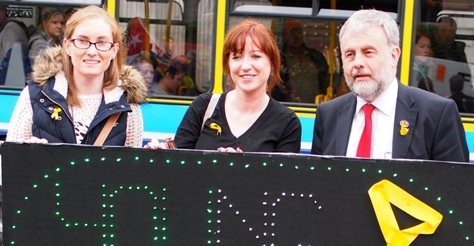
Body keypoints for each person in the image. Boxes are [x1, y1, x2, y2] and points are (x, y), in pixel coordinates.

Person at [311, 9, 469, 162]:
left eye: (368, 52)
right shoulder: (327, 115)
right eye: (350, 54)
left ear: (393, 56)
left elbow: (456, 179)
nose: (357, 63)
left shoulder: (438, 114)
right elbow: (319, 178)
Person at [147, 19, 301, 153]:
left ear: (272, 62)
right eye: (237, 57)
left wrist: (238, 166)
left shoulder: (287, 123)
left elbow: (282, 178)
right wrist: (162, 156)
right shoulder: (204, 106)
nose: (245, 66)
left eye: (255, 56)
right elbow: (179, 167)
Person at [6, 5, 146, 147]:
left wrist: (155, 158)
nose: (92, 51)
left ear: (114, 50)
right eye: (82, 41)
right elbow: (7, 159)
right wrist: (27, 155)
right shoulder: (33, 96)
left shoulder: (129, 107)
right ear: (67, 46)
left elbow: (133, 162)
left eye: (102, 42)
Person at [278, 19, 329, 103]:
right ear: (284, 36)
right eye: (291, 33)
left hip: (316, 106)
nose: (296, 36)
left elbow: (327, 80)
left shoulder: (316, 57)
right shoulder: (279, 60)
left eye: (298, 32)